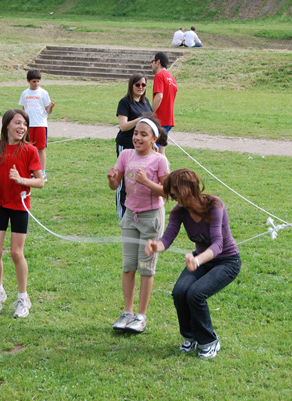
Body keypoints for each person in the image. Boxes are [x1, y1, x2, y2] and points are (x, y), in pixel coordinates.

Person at [145, 169, 241, 359]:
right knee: (180, 292)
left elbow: (218, 245)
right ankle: (191, 337)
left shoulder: (215, 205)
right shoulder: (180, 212)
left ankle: (210, 341)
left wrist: (197, 260)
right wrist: (156, 246)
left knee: (196, 294)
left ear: (187, 189)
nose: (172, 198)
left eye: (174, 193)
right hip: (201, 261)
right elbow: (168, 238)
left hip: (226, 262)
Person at [106, 115, 169, 333]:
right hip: (129, 215)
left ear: (154, 139)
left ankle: (141, 316)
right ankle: (127, 313)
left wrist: (147, 182)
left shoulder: (159, 160)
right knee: (128, 265)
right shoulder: (125, 155)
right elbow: (115, 186)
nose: (137, 137)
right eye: (135, 133)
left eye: (143, 134)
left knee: (145, 267)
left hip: (151, 218)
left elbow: (168, 192)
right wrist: (112, 178)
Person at [0, 109, 44, 318]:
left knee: (16, 253)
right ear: (7, 125)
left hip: (19, 205)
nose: (22, 127)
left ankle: (23, 297)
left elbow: (40, 181)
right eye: (18, 123)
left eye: (24, 124)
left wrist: (22, 180)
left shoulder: (30, 150)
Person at [115, 73, 153, 219]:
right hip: (126, 145)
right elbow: (123, 126)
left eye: (143, 85)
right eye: (138, 85)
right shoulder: (124, 102)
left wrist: (153, 143)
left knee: (139, 178)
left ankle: (137, 209)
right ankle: (122, 213)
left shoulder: (146, 102)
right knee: (124, 178)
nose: (141, 87)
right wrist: (139, 119)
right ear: (131, 85)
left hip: (143, 147)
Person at [18, 70, 55, 182]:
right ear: (28, 81)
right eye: (34, 82)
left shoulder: (43, 93)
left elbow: (47, 110)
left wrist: (51, 107)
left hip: (40, 124)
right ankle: (30, 171)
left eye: (38, 82)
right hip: (29, 125)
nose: (36, 84)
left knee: (41, 148)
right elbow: (23, 109)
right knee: (28, 148)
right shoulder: (25, 93)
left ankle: (42, 173)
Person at [151, 52, 178, 156]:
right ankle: (164, 172)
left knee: (153, 151)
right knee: (162, 151)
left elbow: (159, 96)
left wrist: (150, 113)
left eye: (152, 61)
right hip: (168, 119)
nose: (151, 64)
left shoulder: (159, 76)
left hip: (160, 119)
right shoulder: (171, 78)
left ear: (158, 62)